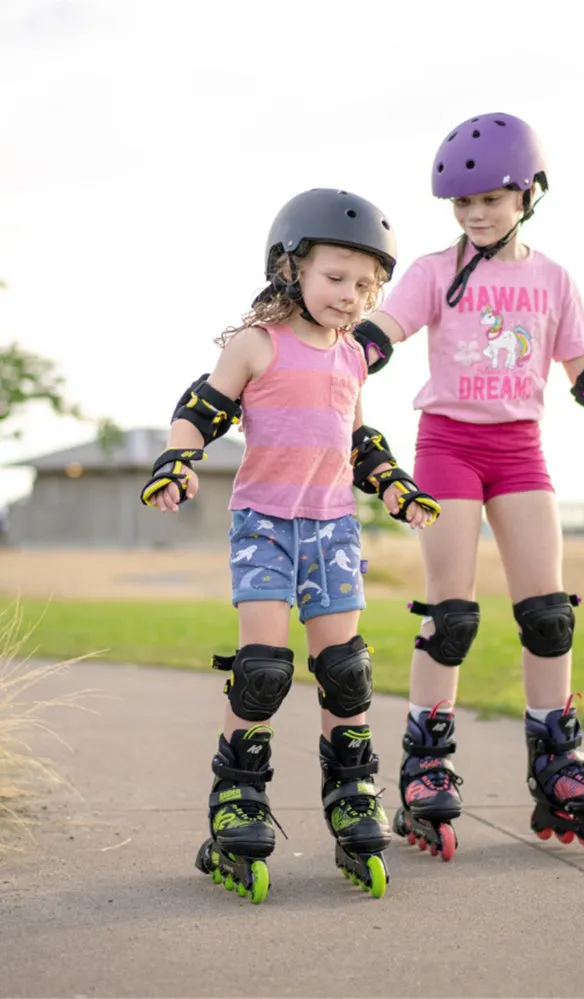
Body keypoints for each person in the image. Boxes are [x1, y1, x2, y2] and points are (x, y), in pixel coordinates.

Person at [350, 113, 584, 861]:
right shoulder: (436, 271)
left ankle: (556, 758)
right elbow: (383, 331)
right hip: (448, 443)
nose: (474, 215)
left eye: (489, 200)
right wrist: (339, 357)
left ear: (528, 193)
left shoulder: (553, 279)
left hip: (520, 447)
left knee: (548, 613)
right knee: (453, 614)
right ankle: (425, 761)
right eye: (462, 204)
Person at [140, 189, 440, 901]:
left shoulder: (352, 359)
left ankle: (354, 790)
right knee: (265, 667)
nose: (351, 295)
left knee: (346, 668)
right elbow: (200, 408)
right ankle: (237, 799)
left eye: (366, 285)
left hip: (334, 525)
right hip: (266, 524)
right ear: (288, 269)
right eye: (337, 278)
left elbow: (359, 439)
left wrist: (395, 484)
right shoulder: (257, 344)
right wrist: (177, 459)